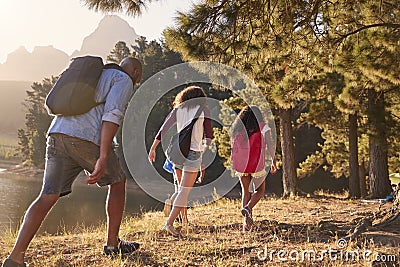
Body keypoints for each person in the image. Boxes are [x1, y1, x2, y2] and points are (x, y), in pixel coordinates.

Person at [2, 57, 142, 267]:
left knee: (47, 195)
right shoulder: (123, 79)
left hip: (57, 133)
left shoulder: (96, 74)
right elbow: (111, 116)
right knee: (118, 181)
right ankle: (113, 245)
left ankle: (15, 258)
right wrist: (102, 156)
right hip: (84, 137)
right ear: (136, 73)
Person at [148, 85, 213, 237]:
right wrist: (202, 151)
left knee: (180, 189)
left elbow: (163, 129)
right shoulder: (204, 110)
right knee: (184, 191)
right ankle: (169, 223)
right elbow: (208, 136)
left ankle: (180, 214)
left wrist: (153, 148)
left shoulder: (178, 109)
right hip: (193, 153)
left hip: (178, 152)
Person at [231, 106, 277, 232]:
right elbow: (270, 145)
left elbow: (233, 147)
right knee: (260, 190)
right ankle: (248, 208)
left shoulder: (238, 128)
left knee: (246, 192)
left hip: (242, 164)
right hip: (257, 164)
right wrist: (274, 161)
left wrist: (233, 161)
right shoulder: (263, 127)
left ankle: (246, 225)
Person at [163, 159, 205, 224]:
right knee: (183, 194)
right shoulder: (194, 150)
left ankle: (174, 208)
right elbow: (200, 161)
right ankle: (184, 219)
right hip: (186, 169)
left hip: (175, 167)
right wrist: (201, 175)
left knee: (179, 192)